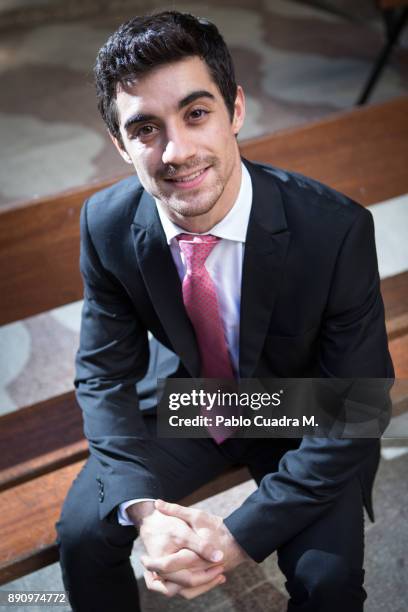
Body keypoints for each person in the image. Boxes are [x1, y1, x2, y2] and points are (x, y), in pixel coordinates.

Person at [56, 11, 394, 612]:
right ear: (119, 143)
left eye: (195, 113)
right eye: (145, 128)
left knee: (329, 582)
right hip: (193, 403)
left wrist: (237, 536)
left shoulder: (333, 230)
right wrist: (142, 512)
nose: (176, 151)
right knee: (84, 535)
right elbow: (104, 374)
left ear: (234, 109)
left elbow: (360, 406)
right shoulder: (107, 224)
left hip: (303, 409)